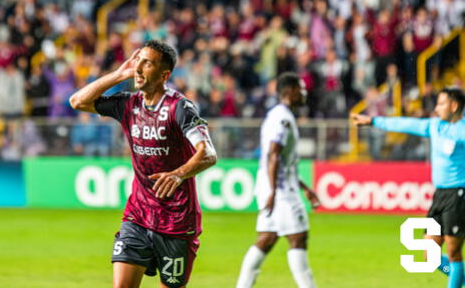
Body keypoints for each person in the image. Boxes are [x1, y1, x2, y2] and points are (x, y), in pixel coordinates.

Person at [69, 39, 217, 288]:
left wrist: (178, 174)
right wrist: (118, 74)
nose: (138, 68)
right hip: (138, 215)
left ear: (164, 74)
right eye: (138, 61)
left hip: (177, 222)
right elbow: (77, 102)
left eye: (147, 63)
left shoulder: (179, 108)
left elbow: (208, 153)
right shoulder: (129, 104)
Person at [352, 87, 465, 288]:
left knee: (453, 253)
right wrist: (374, 121)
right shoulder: (434, 126)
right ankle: (460, 277)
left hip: (459, 194)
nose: (436, 108)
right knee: (429, 254)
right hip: (440, 195)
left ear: (454, 106)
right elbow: (405, 124)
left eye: (441, 104)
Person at [236, 72, 320, 288]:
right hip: (280, 191)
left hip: (277, 186)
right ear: (290, 91)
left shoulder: (282, 115)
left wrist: (304, 188)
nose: (304, 92)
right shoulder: (282, 118)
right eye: (301, 89)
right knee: (298, 238)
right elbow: (273, 154)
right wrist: (273, 192)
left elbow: (283, 161)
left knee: (266, 239)